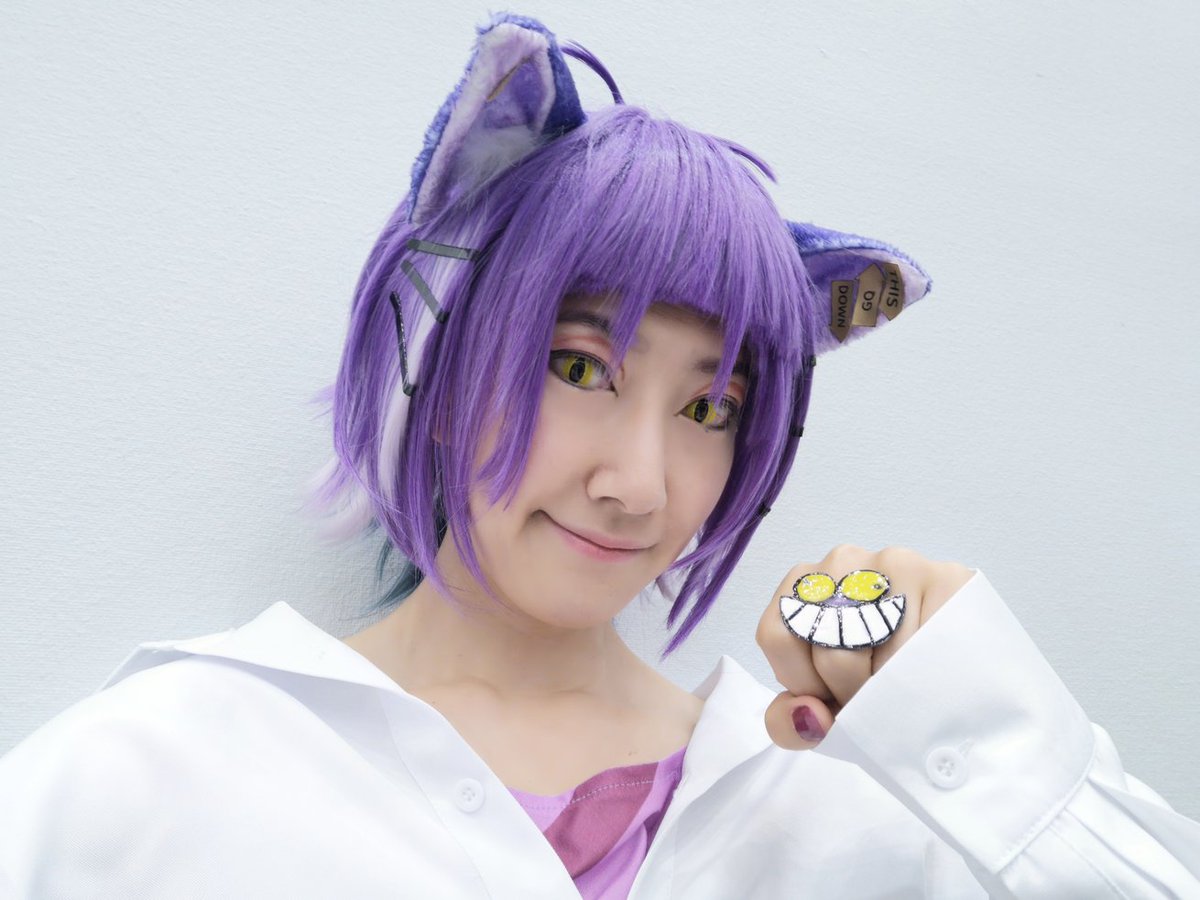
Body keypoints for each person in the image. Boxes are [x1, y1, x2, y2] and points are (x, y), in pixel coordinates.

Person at [1, 12, 1198, 899]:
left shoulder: (838, 806)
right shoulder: (161, 771)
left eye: (711, 407)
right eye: (579, 369)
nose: (639, 485)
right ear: (443, 363)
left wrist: (988, 743)